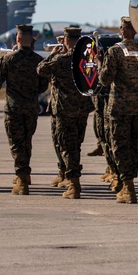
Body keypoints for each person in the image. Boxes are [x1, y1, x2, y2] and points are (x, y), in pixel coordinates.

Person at [36, 27, 94, 199]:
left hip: (64, 109)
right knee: (76, 145)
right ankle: (72, 178)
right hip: (82, 109)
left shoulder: (60, 60)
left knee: (67, 147)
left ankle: (73, 184)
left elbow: (40, 70)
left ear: (66, 41)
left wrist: (53, 54)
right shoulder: (87, 60)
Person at [0, 24, 48, 195]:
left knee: (16, 144)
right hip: (31, 108)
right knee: (26, 141)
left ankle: (22, 180)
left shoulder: (8, 59)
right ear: (31, 39)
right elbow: (43, 86)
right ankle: (25, 173)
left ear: (17, 39)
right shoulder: (39, 60)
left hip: (14, 108)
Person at [98, 18, 138, 203]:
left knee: (119, 146)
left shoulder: (115, 51)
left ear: (123, 30)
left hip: (119, 107)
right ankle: (128, 181)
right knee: (133, 146)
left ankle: (127, 186)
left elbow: (105, 80)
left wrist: (100, 64)